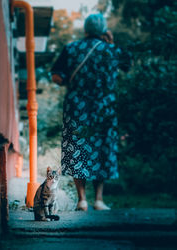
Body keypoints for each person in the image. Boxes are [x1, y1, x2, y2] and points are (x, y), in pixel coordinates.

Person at [51, 13, 131, 211]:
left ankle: (81, 200)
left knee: (79, 149)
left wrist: (70, 81)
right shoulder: (112, 50)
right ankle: (99, 200)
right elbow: (127, 65)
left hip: (77, 108)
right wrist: (111, 43)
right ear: (104, 30)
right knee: (101, 149)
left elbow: (56, 76)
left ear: (85, 30)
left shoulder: (71, 49)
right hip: (103, 109)